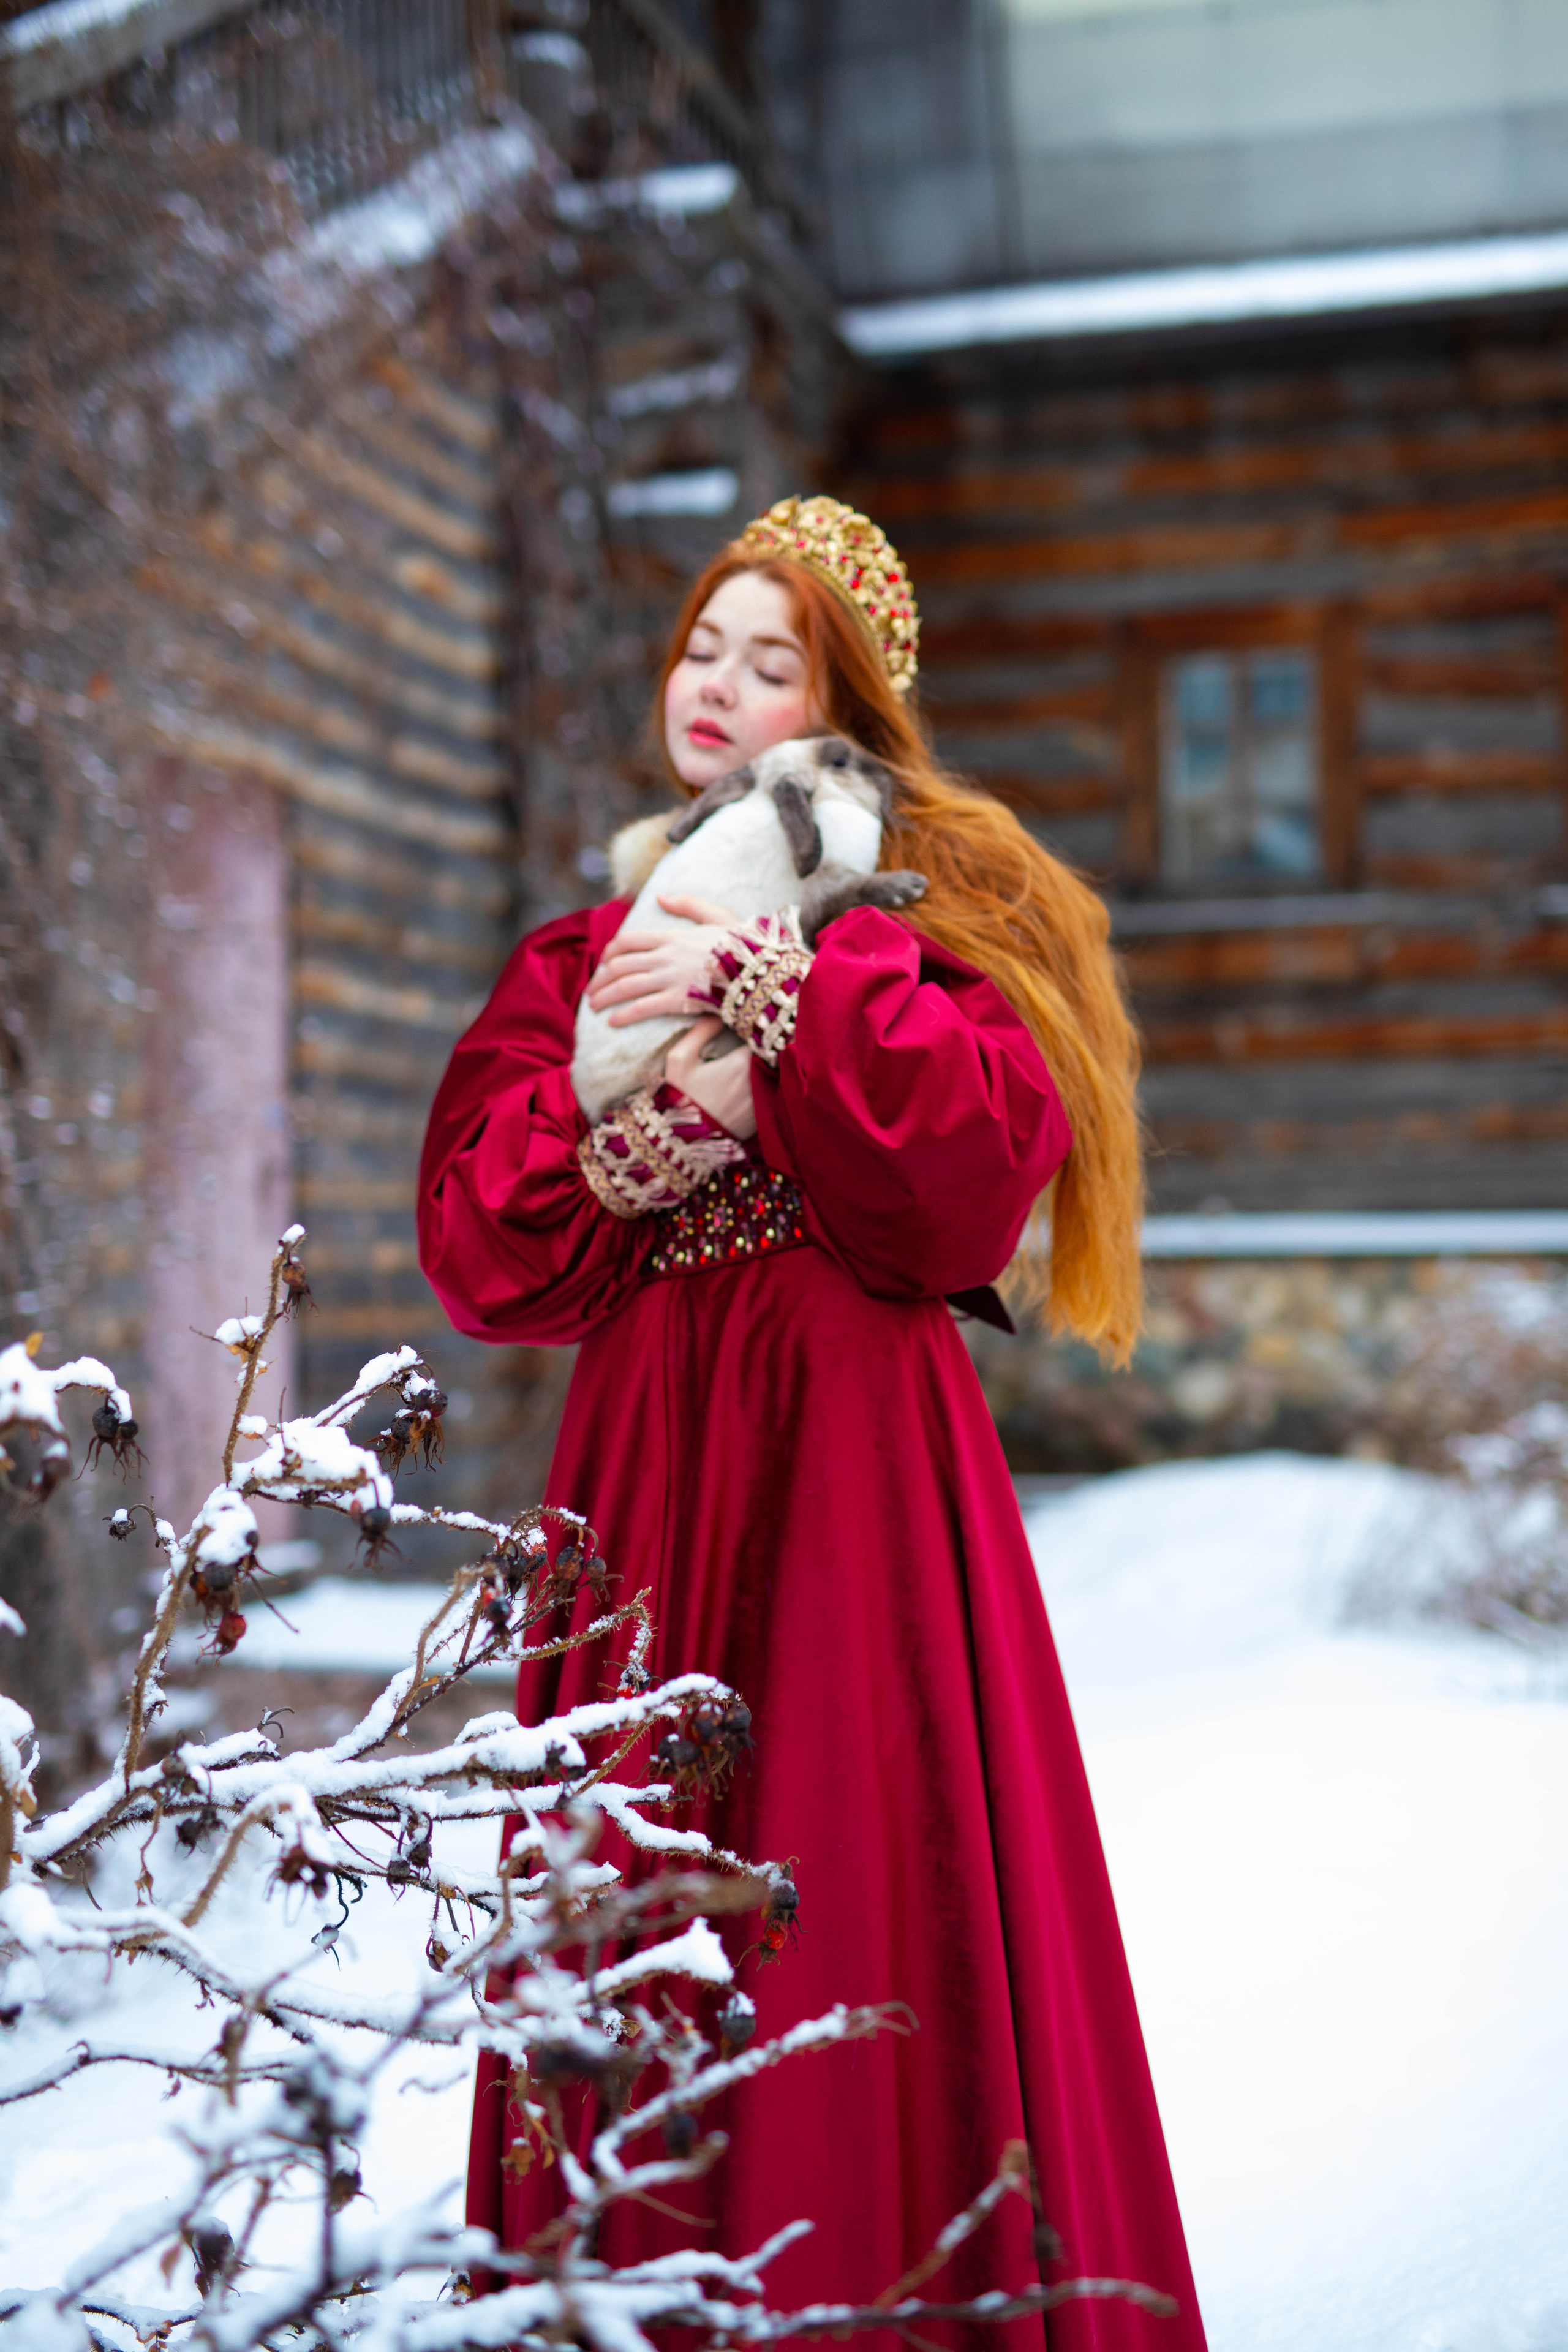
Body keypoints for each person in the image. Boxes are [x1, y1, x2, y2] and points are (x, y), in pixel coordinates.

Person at [418, 495, 1207, 2348]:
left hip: (857, 1463)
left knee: (858, 1858)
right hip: (647, 1465)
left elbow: (970, 1180)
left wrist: (768, 999)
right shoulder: (581, 953)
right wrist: (633, 1141)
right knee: (639, 1866)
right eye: (703, 645)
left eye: (772, 663)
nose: (717, 683)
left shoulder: (912, 924)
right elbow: (475, 1244)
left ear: (841, 710)